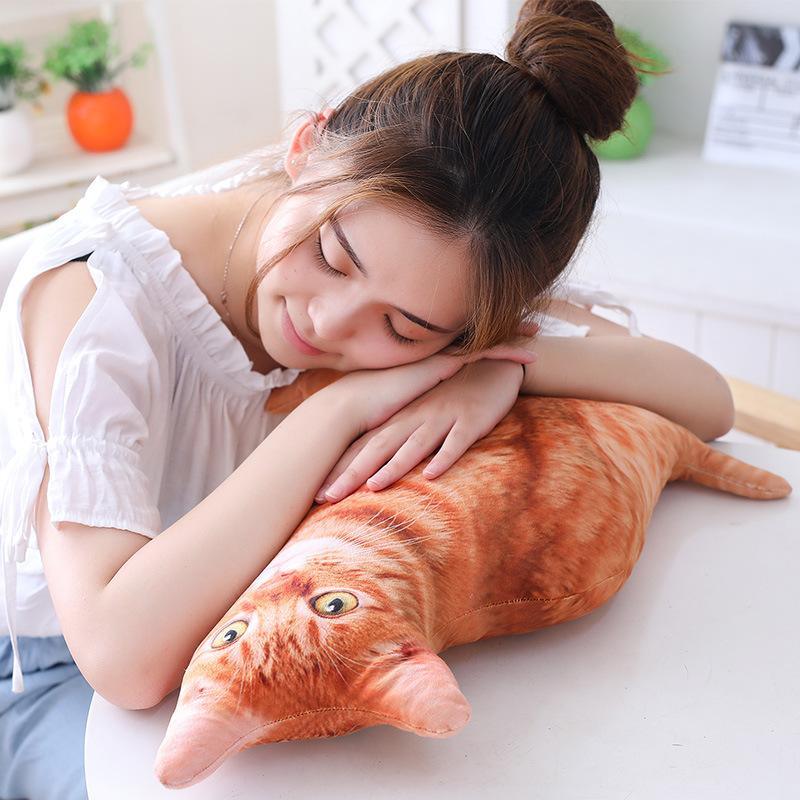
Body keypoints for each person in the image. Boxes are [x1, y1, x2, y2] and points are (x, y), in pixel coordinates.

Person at [0, 1, 734, 797]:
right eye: (330, 256)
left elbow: (707, 398)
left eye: (403, 326)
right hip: (51, 674)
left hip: (259, 636)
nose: (328, 320)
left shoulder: (450, 271)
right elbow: (119, 659)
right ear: (306, 147)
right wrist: (333, 411)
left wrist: (503, 366)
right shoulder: (99, 297)